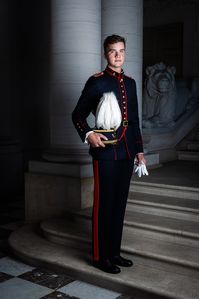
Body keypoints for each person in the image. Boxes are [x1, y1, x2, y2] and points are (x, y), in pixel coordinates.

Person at [72, 34, 146, 274]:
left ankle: (114, 253)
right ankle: (99, 256)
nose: (118, 55)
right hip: (105, 153)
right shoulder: (97, 82)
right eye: (113, 51)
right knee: (103, 206)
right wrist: (89, 134)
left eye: (121, 51)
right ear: (105, 54)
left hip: (126, 153)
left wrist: (140, 151)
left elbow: (133, 121)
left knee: (119, 205)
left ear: (125, 52)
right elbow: (77, 115)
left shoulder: (132, 83)